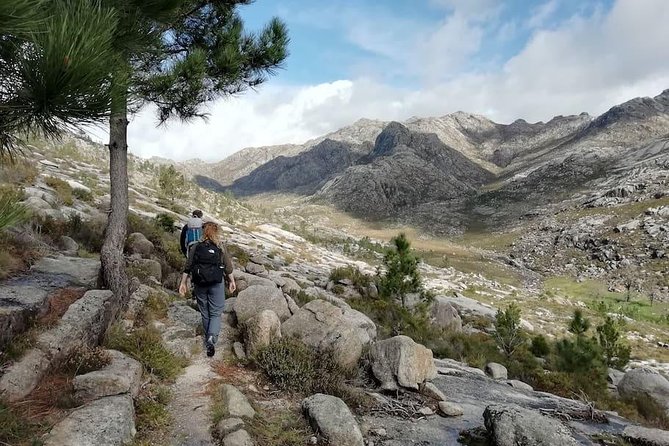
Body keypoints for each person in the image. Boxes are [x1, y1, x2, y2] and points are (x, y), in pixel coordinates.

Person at [179, 221, 236, 357]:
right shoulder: (220, 247)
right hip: (216, 283)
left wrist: (183, 283)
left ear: (203, 232)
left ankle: (207, 338)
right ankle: (211, 339)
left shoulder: (195, 246)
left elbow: (188, 266)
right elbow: (228, 267)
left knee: (205, 312)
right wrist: (232, 281)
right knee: (216, 313)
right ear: (216, 232)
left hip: (199, 283)